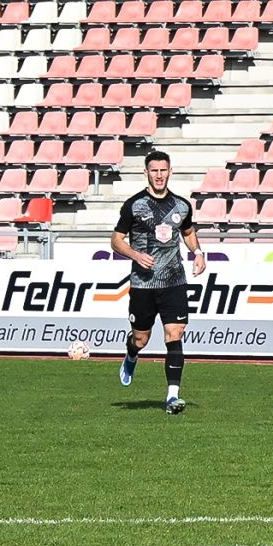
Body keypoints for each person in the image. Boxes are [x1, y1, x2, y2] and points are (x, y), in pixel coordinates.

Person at [111, 150, 204, 414]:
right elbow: (116, 240)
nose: (159, 175)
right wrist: (135, 255)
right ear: (146, 173)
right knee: (141, 338)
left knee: (175, 333)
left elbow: (188, 232)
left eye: (163, 170)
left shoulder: (181, 205)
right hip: (143, 284)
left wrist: (198, 253)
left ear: (170, 171)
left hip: (174, 280)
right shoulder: (134, 205)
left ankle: (173, 396)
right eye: (154, 170)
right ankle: (131, 354)